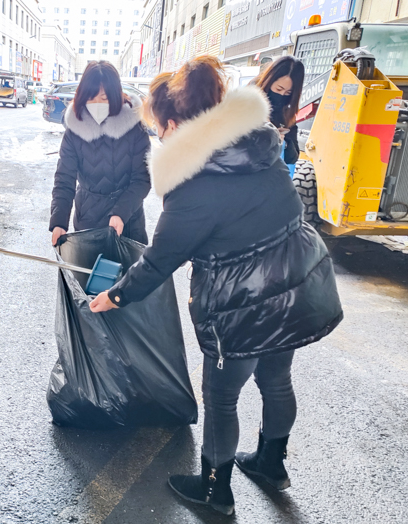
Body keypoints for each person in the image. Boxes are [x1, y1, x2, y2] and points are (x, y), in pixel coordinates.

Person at [89, 56, 342, 515]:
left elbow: (161, 257)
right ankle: (271, 462)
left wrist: (116, 294)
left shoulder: (193, 183)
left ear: (170, 123)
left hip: (243, 302)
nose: (156, 137)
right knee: (276, 378)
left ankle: (214, 490)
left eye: (156, 128)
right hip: (296, 284)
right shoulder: (259, 148)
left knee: (222, 397)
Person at [50, 61, 151, 246]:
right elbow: (65, 179)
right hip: (88, 219)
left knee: (129, 273)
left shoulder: (134, 127)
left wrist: (121, 212)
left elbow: (142, 179)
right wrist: (59, 222)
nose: (97, 104)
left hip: (128, 221)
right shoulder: (75, 129)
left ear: (116, 96)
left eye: (104, 98)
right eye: (91, 97)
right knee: (87, 273)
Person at [252, 56, 305, 172]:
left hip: (272, 177)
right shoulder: (249, 98)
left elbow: (293, 157)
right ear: (269, 80)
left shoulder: (287, 112)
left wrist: (283, 143)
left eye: (288, 93)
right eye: (279, 89)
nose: (282, 95)